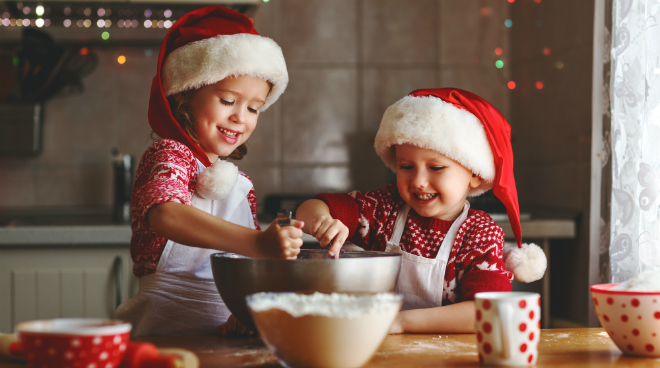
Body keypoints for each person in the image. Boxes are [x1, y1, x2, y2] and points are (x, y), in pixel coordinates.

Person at [114, 5, 302, 336]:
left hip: (222, 341)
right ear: (185, 97)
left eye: (254, 108)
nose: (240, 117)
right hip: (163, 333)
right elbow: (165, 214)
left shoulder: (241, 184)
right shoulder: (169, 154)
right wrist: (258, 243)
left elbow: (249, 269)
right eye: (228, 101)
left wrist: (246, 310)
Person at [296, 88, 547, 334]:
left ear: (475, 175)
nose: (418, 181)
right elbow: (308, 210)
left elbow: (487, 311)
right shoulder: (385, 209)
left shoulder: (480, 234)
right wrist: (322, 219)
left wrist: (401, 323)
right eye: (406, 166)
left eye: (436, 167)